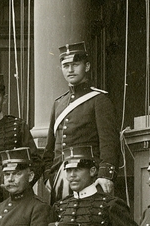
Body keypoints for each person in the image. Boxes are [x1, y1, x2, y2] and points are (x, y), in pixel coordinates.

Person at [44, 43, 121, 200]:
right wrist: (48, 176)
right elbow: (50, 147)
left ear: (87, 66)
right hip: (60, 179)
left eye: (75, 64)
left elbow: (109, 142)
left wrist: (105, 175)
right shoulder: (59, 103)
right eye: (66, 66)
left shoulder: (99, 100)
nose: (70, 70)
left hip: (89, 178)